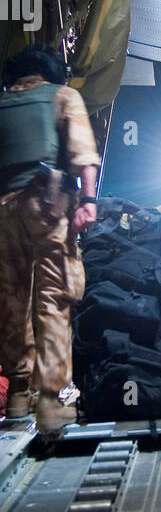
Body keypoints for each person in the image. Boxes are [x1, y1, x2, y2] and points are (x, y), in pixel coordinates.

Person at [0, 47, 100, 436]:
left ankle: (17, 395)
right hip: (47, 205)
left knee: (10, 302)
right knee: (54, 298)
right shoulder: (62, 95)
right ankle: (50, 400)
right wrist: (88, 201)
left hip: (4, 211)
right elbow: (83, 154)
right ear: (50, 72)